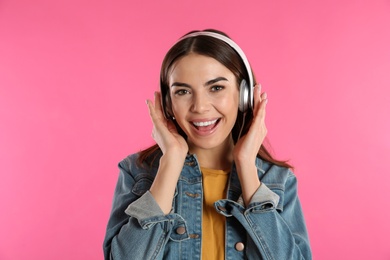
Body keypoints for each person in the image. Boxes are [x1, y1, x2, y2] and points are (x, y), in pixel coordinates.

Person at [103, 29, 312, 260]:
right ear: (167, 103)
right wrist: (171, 161)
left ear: (244, 95)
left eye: (216, 88)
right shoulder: (138, 172)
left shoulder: (278, 181)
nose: (200, 107)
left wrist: (247, 170)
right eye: (182, 91)